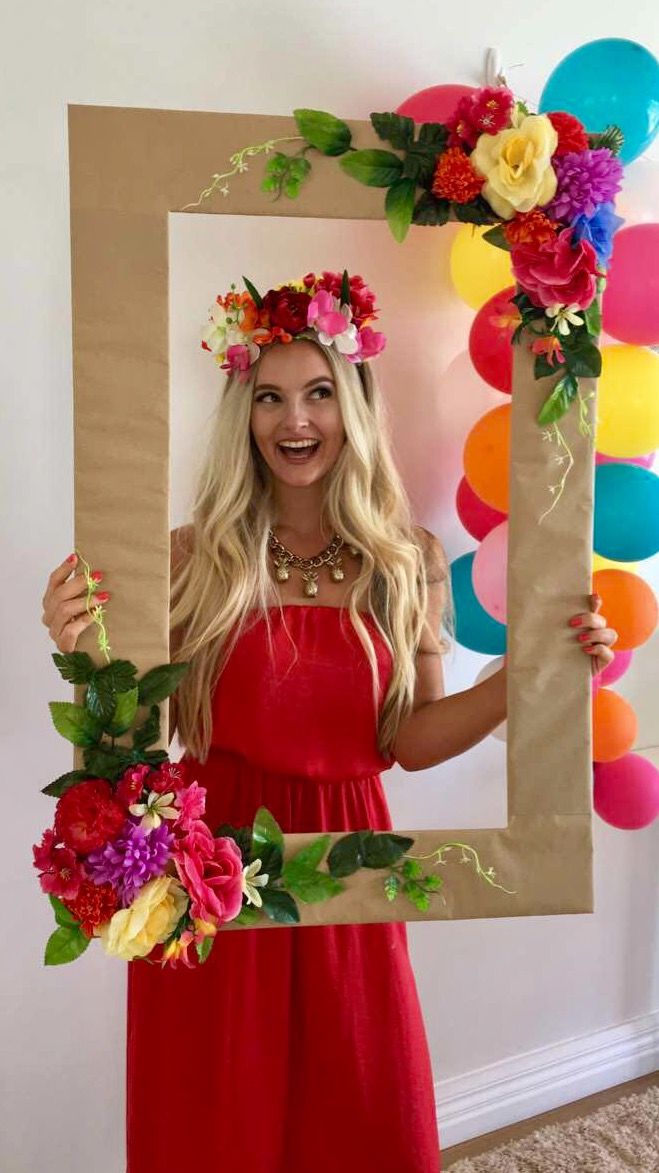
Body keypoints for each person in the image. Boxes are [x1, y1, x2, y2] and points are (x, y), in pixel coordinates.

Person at [41, 271, 618, 1173]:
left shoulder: (408, 558)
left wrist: (523, 679)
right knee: (214, 1116)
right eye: (267, 397)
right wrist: (79, 646)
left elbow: (410, 742)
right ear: (244, 413)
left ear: (352, 404)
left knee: (358, 1102)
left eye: (316, 392)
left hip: (350, 860)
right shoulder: (195, 557)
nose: (292, 420)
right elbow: (129, 737)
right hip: (213, 864)